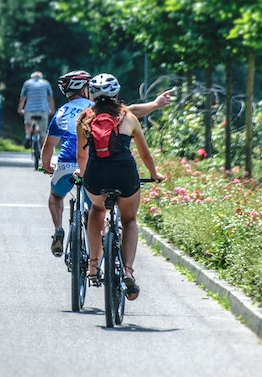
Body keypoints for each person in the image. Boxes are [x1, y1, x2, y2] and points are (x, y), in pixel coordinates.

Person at [42, 71, 172, 258]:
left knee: (56, 195)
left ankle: (58, 229)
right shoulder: (100, 110)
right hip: (103, 168)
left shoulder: (65, 112)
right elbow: (132, 111)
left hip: (69, 167)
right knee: (100, 211)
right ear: (85, 90)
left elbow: (49, 146)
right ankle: (106, 252)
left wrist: (47, 166)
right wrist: (155, 104)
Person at [74, 73, 164, 301]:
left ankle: (93, 266)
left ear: (91, 95)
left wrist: (82, 174)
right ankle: (128, 271)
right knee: (129, 220)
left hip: (96, 175)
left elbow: (81, 155)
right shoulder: (128, 116)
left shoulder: (84, 117)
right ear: (116, 93)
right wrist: (154, 175)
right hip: (124, 174)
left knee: (97, 209)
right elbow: (144, 153)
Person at [17, 71, 54, 149]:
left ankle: (27, 136)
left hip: (29, 109)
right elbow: (50, 98)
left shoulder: (27, 83)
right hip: (43, 110)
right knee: (43, 133)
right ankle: (42, 147)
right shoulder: (46, 83)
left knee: (28, 124)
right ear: (41, 77)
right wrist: (52, 109)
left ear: (32, 77)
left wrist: (20, 109)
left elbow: (22, 98)